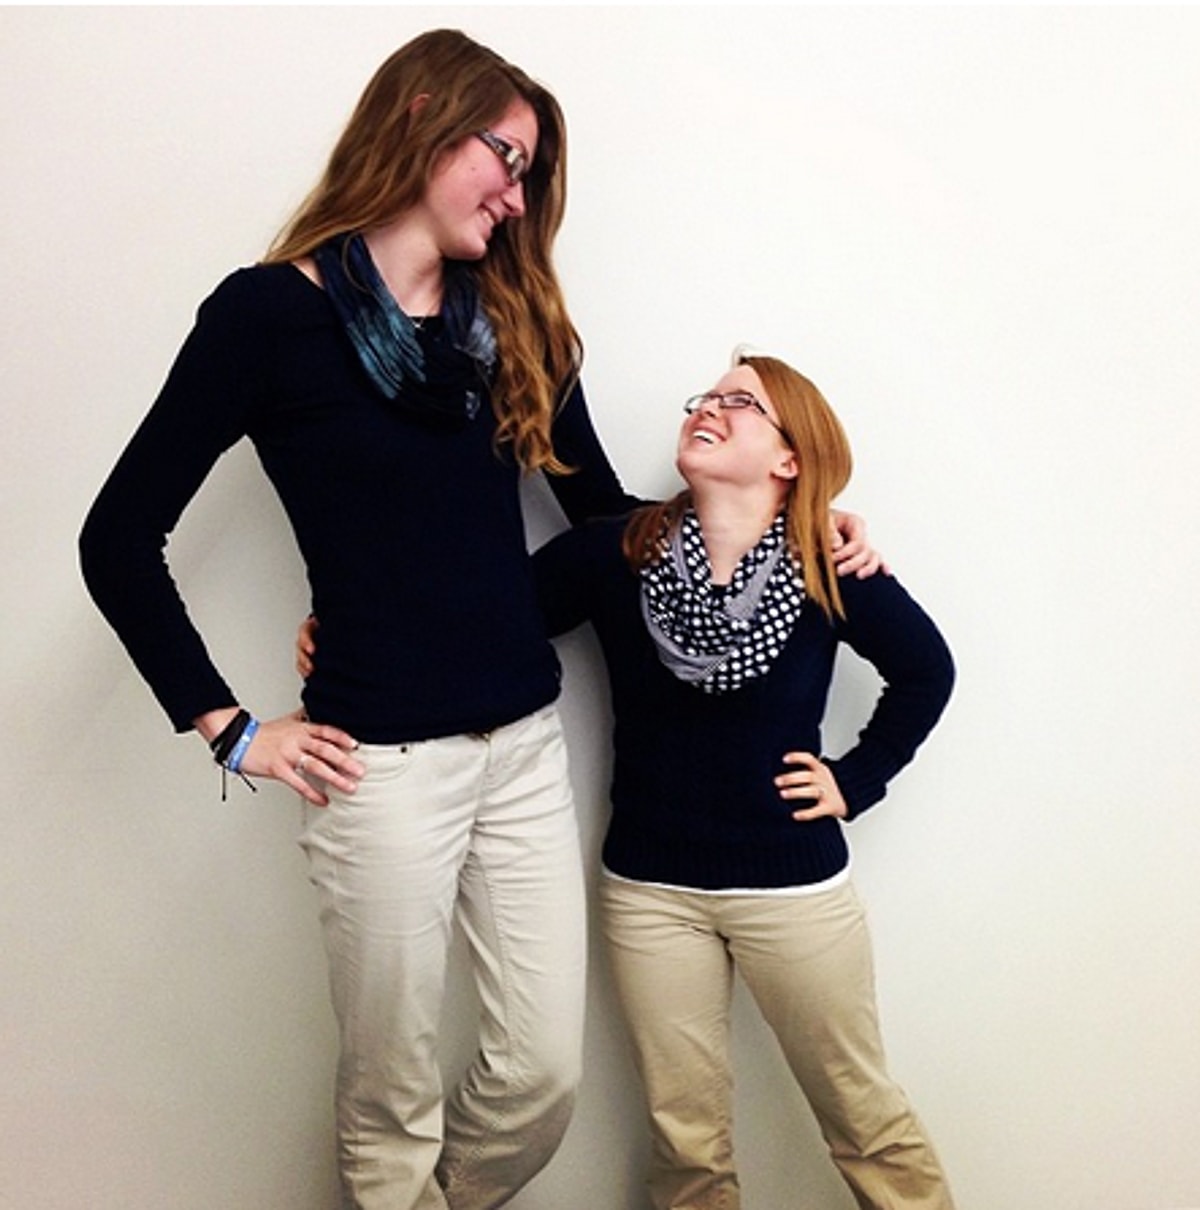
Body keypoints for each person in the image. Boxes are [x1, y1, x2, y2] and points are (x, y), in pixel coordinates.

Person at [79, 27, 878, 1210]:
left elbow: (606, 520)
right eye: (505, 159)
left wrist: (791, 513)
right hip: (375, 767)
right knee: (390, 1094)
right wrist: (232, 728)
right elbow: (117, 538)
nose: (515, 198)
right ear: (419, 121)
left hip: (522, 751)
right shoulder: (264, 318)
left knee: (544, 1074)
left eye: (527, 176)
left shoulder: (513, 324)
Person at [530, 350, 958, 1209]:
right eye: (707, 397)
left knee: (865, 1120)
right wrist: (346, 630)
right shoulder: (621, 550)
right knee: (686, 1141)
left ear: (789, 458)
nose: (709, 408)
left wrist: (856, 779)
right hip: (650, 893)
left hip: (793, 892)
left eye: (742, 403)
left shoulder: (827, 564)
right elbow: (484, 618)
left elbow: (927, 672)